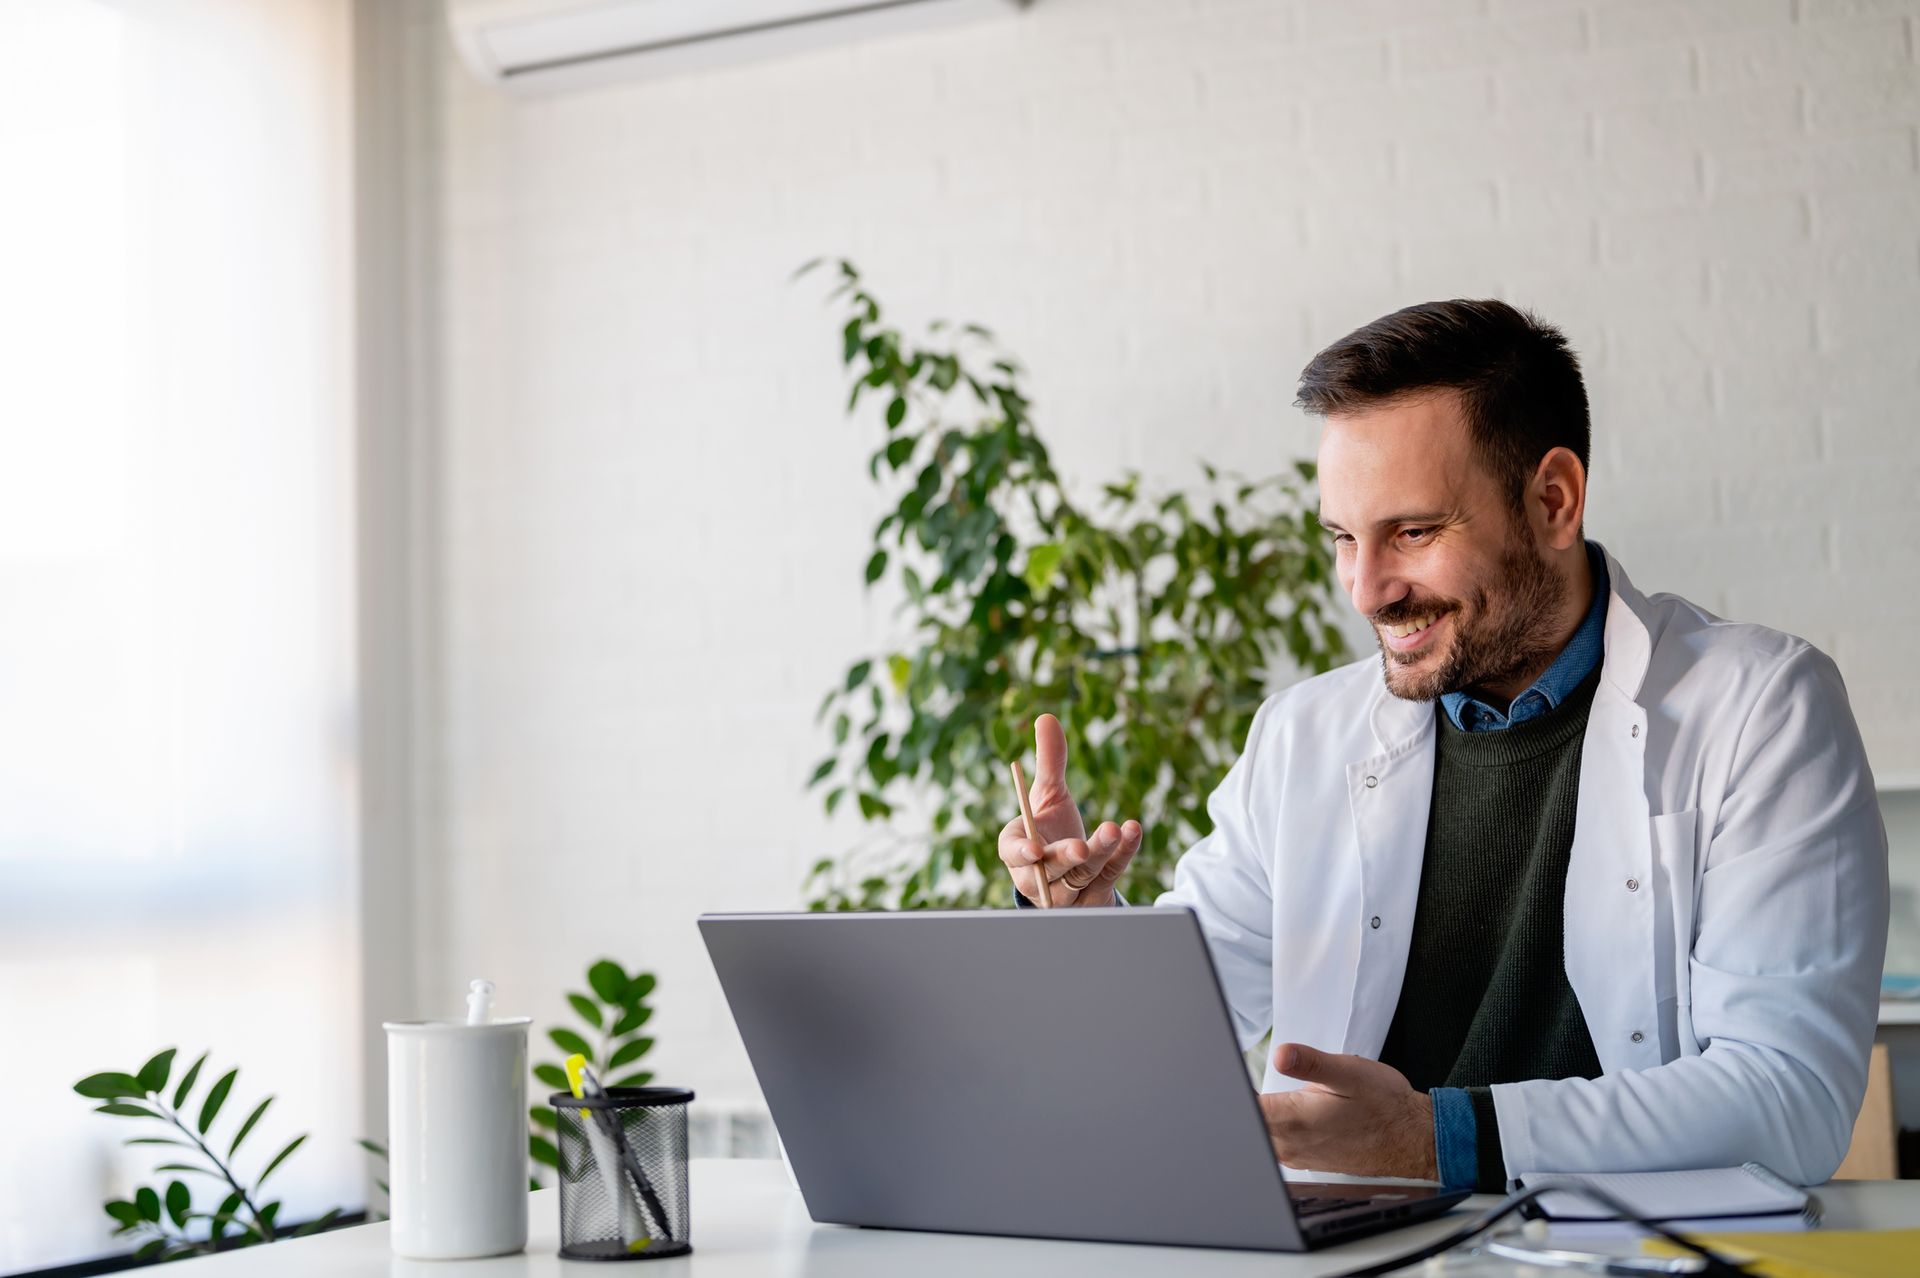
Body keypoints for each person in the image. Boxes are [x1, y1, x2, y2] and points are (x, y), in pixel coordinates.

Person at [997, 300, 1889, 1192]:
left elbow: (1789, 1098)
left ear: (1553, 501)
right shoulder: (1302, 737)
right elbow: (1177, 1038)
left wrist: (1438, 1139)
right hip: (1351, 1252)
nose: (1366, 591)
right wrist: (1082, 932)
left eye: (1413, 533)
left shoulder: (1761, 708)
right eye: (1344, 539)